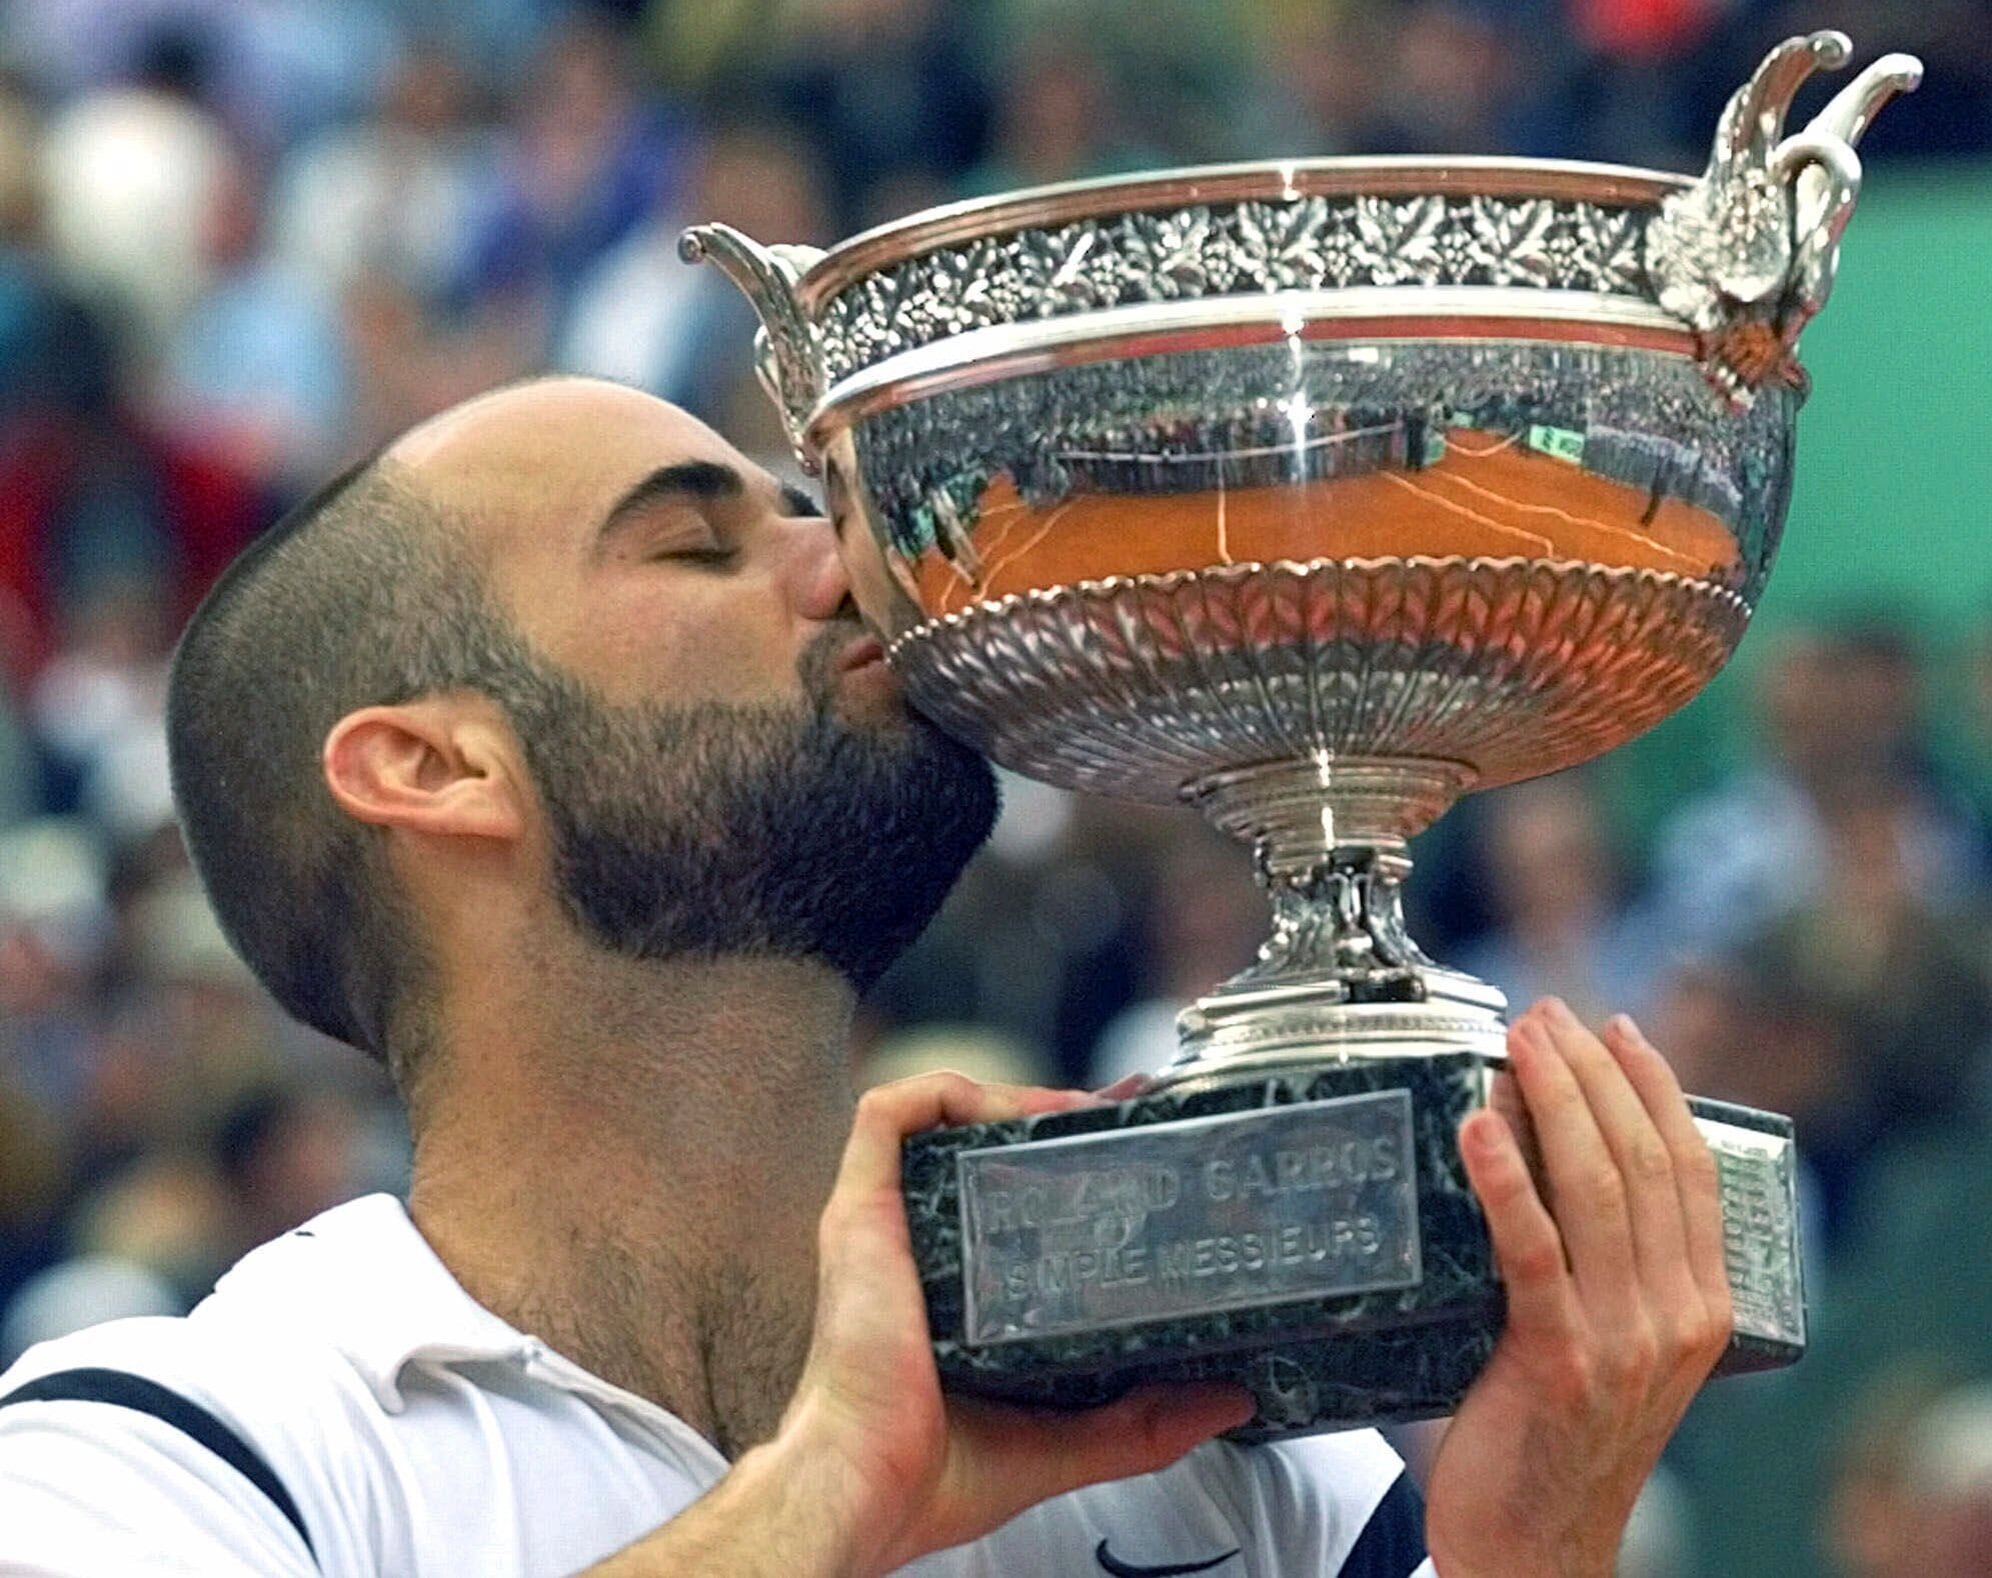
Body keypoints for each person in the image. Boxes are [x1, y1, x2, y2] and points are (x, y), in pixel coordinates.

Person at [0, 377, 1734, 1576]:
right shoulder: (165, 1449)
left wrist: (1531, 1546)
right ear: (435, 768)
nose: (856, 571)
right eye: (696, 543)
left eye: (808, 512)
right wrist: (829, 1494)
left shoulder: (1190, 1429)